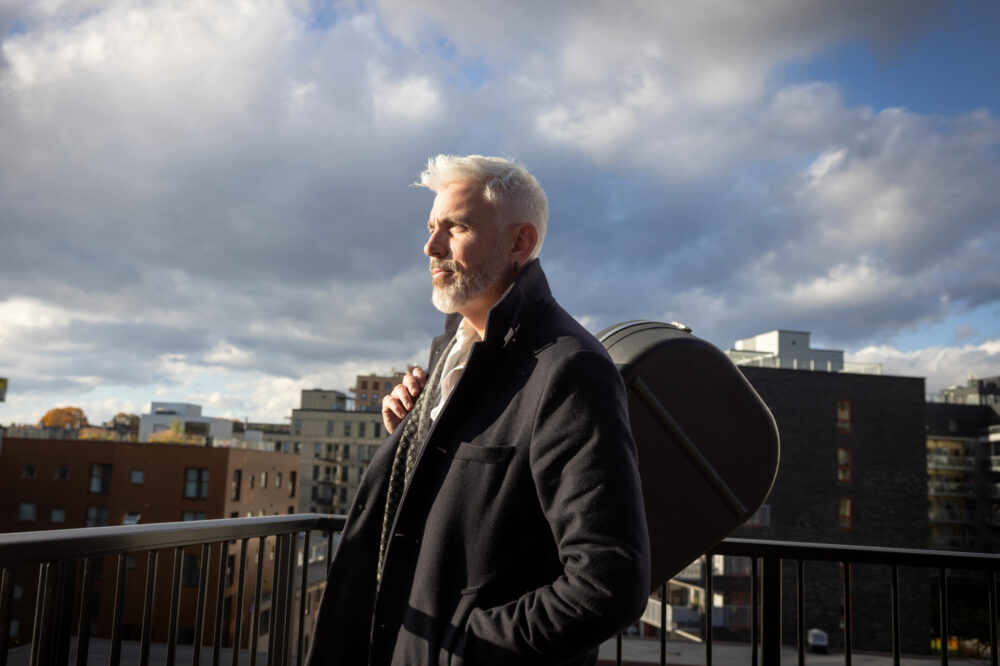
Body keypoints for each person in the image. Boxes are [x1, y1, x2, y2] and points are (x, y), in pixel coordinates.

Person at [307, 155, 650, 665]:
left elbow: (609, 581)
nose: (430, 247)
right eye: (430, 228)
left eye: (457, 227)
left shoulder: (569, 369)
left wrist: (461, 649)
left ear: (520, 243)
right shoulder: (454, 349)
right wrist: (413, 440)